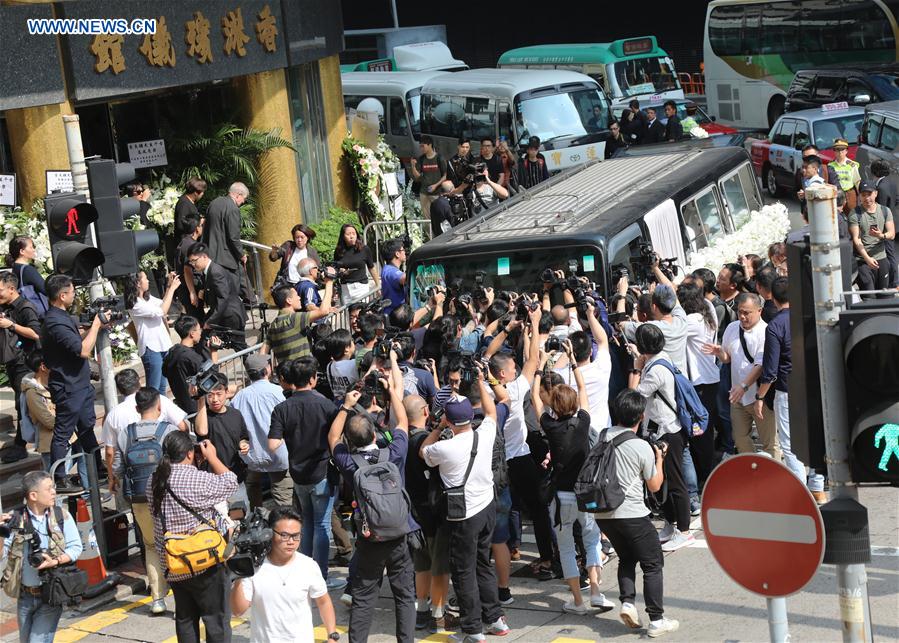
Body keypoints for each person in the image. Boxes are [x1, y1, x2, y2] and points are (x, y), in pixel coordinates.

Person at [329, 355, 416, 642]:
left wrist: (345, 406)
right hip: (400, 534)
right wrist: (392, 389)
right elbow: (403, 421)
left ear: (351, 441)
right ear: (375, 435)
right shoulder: (393, 453)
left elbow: (332, 439)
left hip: (369, 537)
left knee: (365, 597)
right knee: (404, 595)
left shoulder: (351, 464)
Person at [420, 384, 510, 640]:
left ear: (449, 419)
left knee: (463, 571)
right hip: (487, 507)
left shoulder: (444, 447)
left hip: (464, 515)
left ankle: (472, 630)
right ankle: (495, 618)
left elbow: (422, 451)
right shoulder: (485, 432)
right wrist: (482, 382)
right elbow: (491, 412)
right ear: (471, 416)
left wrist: (438, 428)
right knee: (482, 563)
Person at [532, 342, 615, 614]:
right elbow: (582, 393)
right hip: (585, 494)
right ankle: (595, 591)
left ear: (553, 405)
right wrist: (574, 362)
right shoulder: (582, 422)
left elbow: (535, 399)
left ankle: (577, 601)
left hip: (561, 497)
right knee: (591, 540)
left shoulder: (550, 426)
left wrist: (538, 370)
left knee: (566, 546)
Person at [594, 390, 677, 638]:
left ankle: (628, 603)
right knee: (652, 564)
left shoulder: (603, 436)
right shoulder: (640, 446)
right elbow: (654, 485)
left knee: (627, 557)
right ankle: (656, 619)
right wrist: (659, 459)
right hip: (631, 514)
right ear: (641, 416)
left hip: (603, 513)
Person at [486, 306, 555, 579]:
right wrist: (535, 324)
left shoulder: (485, 392)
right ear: (503, 375)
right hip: (519, 460)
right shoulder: (513, 391)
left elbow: (488, 357)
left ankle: (506, 550)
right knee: (538, 509)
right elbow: (533, 362)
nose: (515, 369)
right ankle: (548, 557)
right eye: (511, 368)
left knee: (504, 511)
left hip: (493, 465)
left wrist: (506, 329)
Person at [150, 431, 237, 642]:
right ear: (190, 453)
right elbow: (231, 482)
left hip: (174, 562)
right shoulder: (196, 478)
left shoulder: (154, 480)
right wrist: (212, 457)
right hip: (204, 561)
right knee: (216, 620)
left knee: (185, 619)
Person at [267, 356, 342, 586]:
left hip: (298, 474)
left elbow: (272, 444)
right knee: (322, 525)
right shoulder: (327, 405)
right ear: (313, 379)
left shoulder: (282, 408)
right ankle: (320, 576)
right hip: (321, 472)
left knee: (307, 523)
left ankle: (305, 570)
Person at [754, 277, 827, 504]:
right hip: (814, 387)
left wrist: (760, 396)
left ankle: (799, 490)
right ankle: (817, 487)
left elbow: (770, 370)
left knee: (789, 442)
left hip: (787, 389)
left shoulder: (775, 325)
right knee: (815, 437)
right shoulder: (810, 319)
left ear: (773, 299)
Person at [112, 387, 180, 614]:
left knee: (151, 545)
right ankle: (183, 595)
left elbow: (118, 468)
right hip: (167, 495)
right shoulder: (169, 430)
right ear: (159, 405)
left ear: (136, 408)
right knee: (174, 542)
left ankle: (157, 599)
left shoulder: (125, 433)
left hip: (139, 497)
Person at [628, 324, 694, 552]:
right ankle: (670, 524)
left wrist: (636, 369)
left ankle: (684, 531)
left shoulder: (655, 370)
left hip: (668, 431)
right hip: (659, 429)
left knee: (675, 482)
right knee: (660, 481)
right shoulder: (661, 358)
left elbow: (633, 398)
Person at [230, 507, 339, 643]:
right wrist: (240, 574)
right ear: (269, 533)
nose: (291, 542)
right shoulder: (254, 568)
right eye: (284, 535)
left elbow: (323, 601)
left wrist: (332, 635)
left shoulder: (308, 566)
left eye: (296, 536)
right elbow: (238, 610)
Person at [40, 274, 105, 493]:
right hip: (68, 386)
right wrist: (96, 325)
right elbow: (83, 350)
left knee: (87, 426)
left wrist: (98, 327)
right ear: (62, 295)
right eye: (72, 292)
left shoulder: (62, 316)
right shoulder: (54, 321)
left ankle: (98, 465)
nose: (74, 295)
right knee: (63, 433)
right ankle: (59, 477)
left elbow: (77, 340)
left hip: (81, 383)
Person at [0, 471, 83, 643]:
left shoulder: (61, 516)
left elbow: (76, 547)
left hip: (50, 595)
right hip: (24, 596)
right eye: (49, 488)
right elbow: (2, 555)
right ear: (33, 495)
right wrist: (0, 532)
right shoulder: (15, 519)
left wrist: (55, 561)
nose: (54, 492)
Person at [703, 293, 779, 459]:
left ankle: (775, 476)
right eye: (740, 312)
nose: (743, 317)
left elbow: (761, 365)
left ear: (759, 311)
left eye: (747, 313)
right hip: (737, 396)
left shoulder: (766, 331)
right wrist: (719, 353)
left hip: (760, 397)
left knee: (770, 443)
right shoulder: (732, 327)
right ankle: (753, 471)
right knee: (739, 438)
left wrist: (744, 386)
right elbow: (728, 358)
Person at [102, 368, 188, 493]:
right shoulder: (159, 400)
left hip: (137, 488)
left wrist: (112, 478)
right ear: (139, 381)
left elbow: (110, 453)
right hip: (167, 486)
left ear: (119, 390)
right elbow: (183, 428)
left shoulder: (114, 415)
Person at [228, 354, 293, 510]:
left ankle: (256, 523)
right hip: (279, 453)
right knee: (283, 501)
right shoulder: (279, 392)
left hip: (251, 456)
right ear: (267, 369)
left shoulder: (239, 397)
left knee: (253, 492)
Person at [677, 283, 719, 491]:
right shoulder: (707, 312)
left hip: (700, 383)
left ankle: (706, 476)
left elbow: (671, 328)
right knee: (705, 429)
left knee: (700, 432)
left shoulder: (692, 321)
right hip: (708, 380)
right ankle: (707, 473)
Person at [0, 270, 42, 463]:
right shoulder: (5, 306)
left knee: (22, 404)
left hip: (26, 363)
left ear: (11, 289)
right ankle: (21, 441)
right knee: (21, 403)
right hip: (13, 363)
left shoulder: (25, 307)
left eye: (0, 291)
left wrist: (11, 325)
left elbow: (36, 333)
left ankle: (21, 444)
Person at [618, 264, 689, 373]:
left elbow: (621, 324)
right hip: (681, 381)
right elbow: (672, 291)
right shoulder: (681, 320)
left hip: (660, 383)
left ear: (654, 306)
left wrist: (621, 294)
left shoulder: (652, 328)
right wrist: (655, 267)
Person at [194, 373, 250, 497]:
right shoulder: (203, 417)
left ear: (226, 392)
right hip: (212, 480)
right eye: (210, 395)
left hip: (236, 476)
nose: (214, 399)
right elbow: (202, 431)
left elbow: (243, 437)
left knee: (241, 512)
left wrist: (244, 444)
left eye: (219, 394)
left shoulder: (236, 414)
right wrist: (201, 400)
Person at [124, 270, 180, 395]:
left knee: (162, 387)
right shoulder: (135, 304)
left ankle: (161, 411)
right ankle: (151, 412)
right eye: (145, 278)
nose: (148, 281)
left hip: (163, 345)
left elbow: (162, 304)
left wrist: (169, 286)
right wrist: (172, 289)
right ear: (138, 283)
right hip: (151, 348)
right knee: (153, 388)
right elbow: (161, 312)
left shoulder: (147, 298)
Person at [186, 242, 247, 350]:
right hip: (222, 314)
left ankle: (258, 365)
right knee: (205, 342)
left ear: (204, 256)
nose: (193, 264)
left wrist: (210, 321)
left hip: (230, 316)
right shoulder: (208, 271)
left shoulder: (215, 272)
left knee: (240, 348)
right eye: (191, 262)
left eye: (194, 261)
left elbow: (223, 298)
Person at [264, 280, 334, 366]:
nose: (299, 298)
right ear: (289, 300)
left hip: (286, 373)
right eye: (296, 295)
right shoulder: (294, 318)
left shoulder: (273, 325)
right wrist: (329, 282)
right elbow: (323, 311)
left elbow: (263, 352)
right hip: (302, 370)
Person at [162, 315, 218, 414]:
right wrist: (214, 351)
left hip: (183, 404)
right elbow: (213, 376)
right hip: (199, 406)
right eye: (199, 329)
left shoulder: (172, 352)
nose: (200, 332)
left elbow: (165, 372)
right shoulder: (190, 356)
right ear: (192, 333)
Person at [849, 181, 896, 293]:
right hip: (863, 261)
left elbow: (892, 234)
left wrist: (881, 235)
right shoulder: (855, 213)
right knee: (869, 295)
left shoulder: (885, 211)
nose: (867, 198)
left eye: (869, 194)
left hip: (881, 258)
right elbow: (856, 238)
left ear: (875, 193)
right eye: (863, 195)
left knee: (883, 294)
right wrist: (867, 259)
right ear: (859, 196)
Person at [203, 182, 248, 275]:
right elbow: (233, 237)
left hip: (210, 256)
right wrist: (241, 255)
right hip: (226, 261)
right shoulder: (233, 208)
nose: (243, 202)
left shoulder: (214, 203)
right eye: (244, 198)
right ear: (238, 195)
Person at [21, 352, 55, 470]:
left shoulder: (54, 384)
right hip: (49, 443)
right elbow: (48, 421)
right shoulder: (32, 392)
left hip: (68, 437)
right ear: (43, 367)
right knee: (53, 480)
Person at [333, 224, 379, 302]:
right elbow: (335, 268)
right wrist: (340, 271)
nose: (351, 236)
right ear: (343, 236)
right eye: (348, 234)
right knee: (348, 313)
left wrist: (378, 285)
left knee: (361, 311)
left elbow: (371, 267)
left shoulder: (364, 249)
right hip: (346, 287)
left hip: (361, 286)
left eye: (353, 233)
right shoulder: (339, 251)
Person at [173, 213, 206, 322]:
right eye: (201, 225)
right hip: (190, 288)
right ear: (197, 229)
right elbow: (187, 270)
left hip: (186, 288)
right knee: (197, 320)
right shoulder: (189, 246)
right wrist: (192, 293)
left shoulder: (185, 242)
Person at [6, 236, 47, 317]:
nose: (33, 250)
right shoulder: (28, 270)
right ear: (22, 251)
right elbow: (45, 289)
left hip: (20, 311)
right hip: (34, 314)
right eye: (31, 247)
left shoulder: (13, 267)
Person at [410, 135, 447, 222]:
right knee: (427, 219)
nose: (421, 148)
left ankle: (440, 234)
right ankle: (431, 235)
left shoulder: (439, 158)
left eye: (423, 146)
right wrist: (413, 166)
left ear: (430, 145)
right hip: (424, 193)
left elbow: (445, 176)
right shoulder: (421, 159)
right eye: (420, 146)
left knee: (439, 216)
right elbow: (418, 177)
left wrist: (436, 185)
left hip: (436, 193)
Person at [829, 138, 861, 214]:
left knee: (852, 216)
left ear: (846, 151)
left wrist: (860, 196)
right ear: (834, 151)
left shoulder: (852, 165)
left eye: (842, 149)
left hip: (850, 194)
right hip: (836, 194)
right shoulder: (830, 166)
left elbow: (857, 182)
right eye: (837, 149)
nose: (840, 152)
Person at [380, 238, 407, 316]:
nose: (405, 252)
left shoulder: (388, 269)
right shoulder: (390, 271)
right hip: (395, 315)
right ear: (397, 254)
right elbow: (403, 279)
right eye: (403, 250)